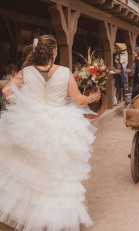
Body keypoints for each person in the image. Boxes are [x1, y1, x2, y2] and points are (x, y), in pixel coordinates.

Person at [0, 35, 101, 230]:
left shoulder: (25, 71)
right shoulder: (65, 72)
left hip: (31, 122)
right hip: (61, 124)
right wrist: (93, 97)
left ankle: (30, 214)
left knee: (33, 170)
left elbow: (6, 93)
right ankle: (56, 218)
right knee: (59, 173)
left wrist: (23, 105)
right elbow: (78, 100)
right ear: (54, 52)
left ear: (37, 51)